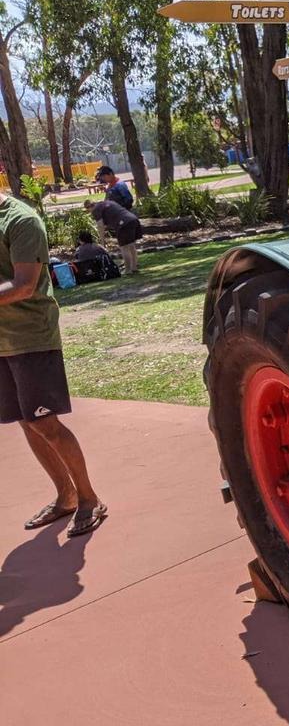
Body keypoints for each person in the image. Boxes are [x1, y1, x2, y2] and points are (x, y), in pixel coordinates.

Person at [1, 189, 105, 536]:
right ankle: (66, 497)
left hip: (30, 336)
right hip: (2, 341)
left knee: (44, 422)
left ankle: (89, 498)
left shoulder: (21, 220)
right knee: (25, 421)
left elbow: (25, 285)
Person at [84, 198, 143, 274]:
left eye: (88, 210)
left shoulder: (95, 210)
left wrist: (102, 241)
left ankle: (128, 270)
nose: (89, 212)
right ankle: (134, 267)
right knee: (131, 245)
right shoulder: (106, 203)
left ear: (89, 207)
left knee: (124, 247)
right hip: (133, 219)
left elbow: (100, 225)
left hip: (123, 224)